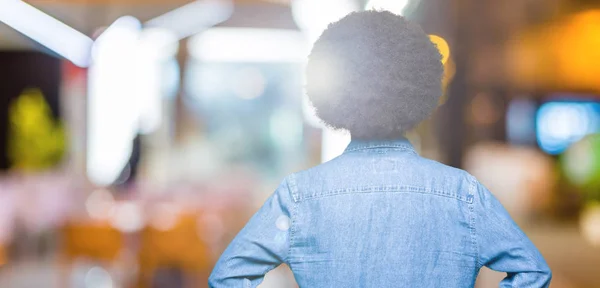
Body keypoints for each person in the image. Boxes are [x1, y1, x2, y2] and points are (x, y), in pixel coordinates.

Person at [209, 10, 551, 288]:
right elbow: (533, 273)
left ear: (332, 95)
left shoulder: (299, 196)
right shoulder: (463, 194)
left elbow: (228, 277)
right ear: (420, 91)